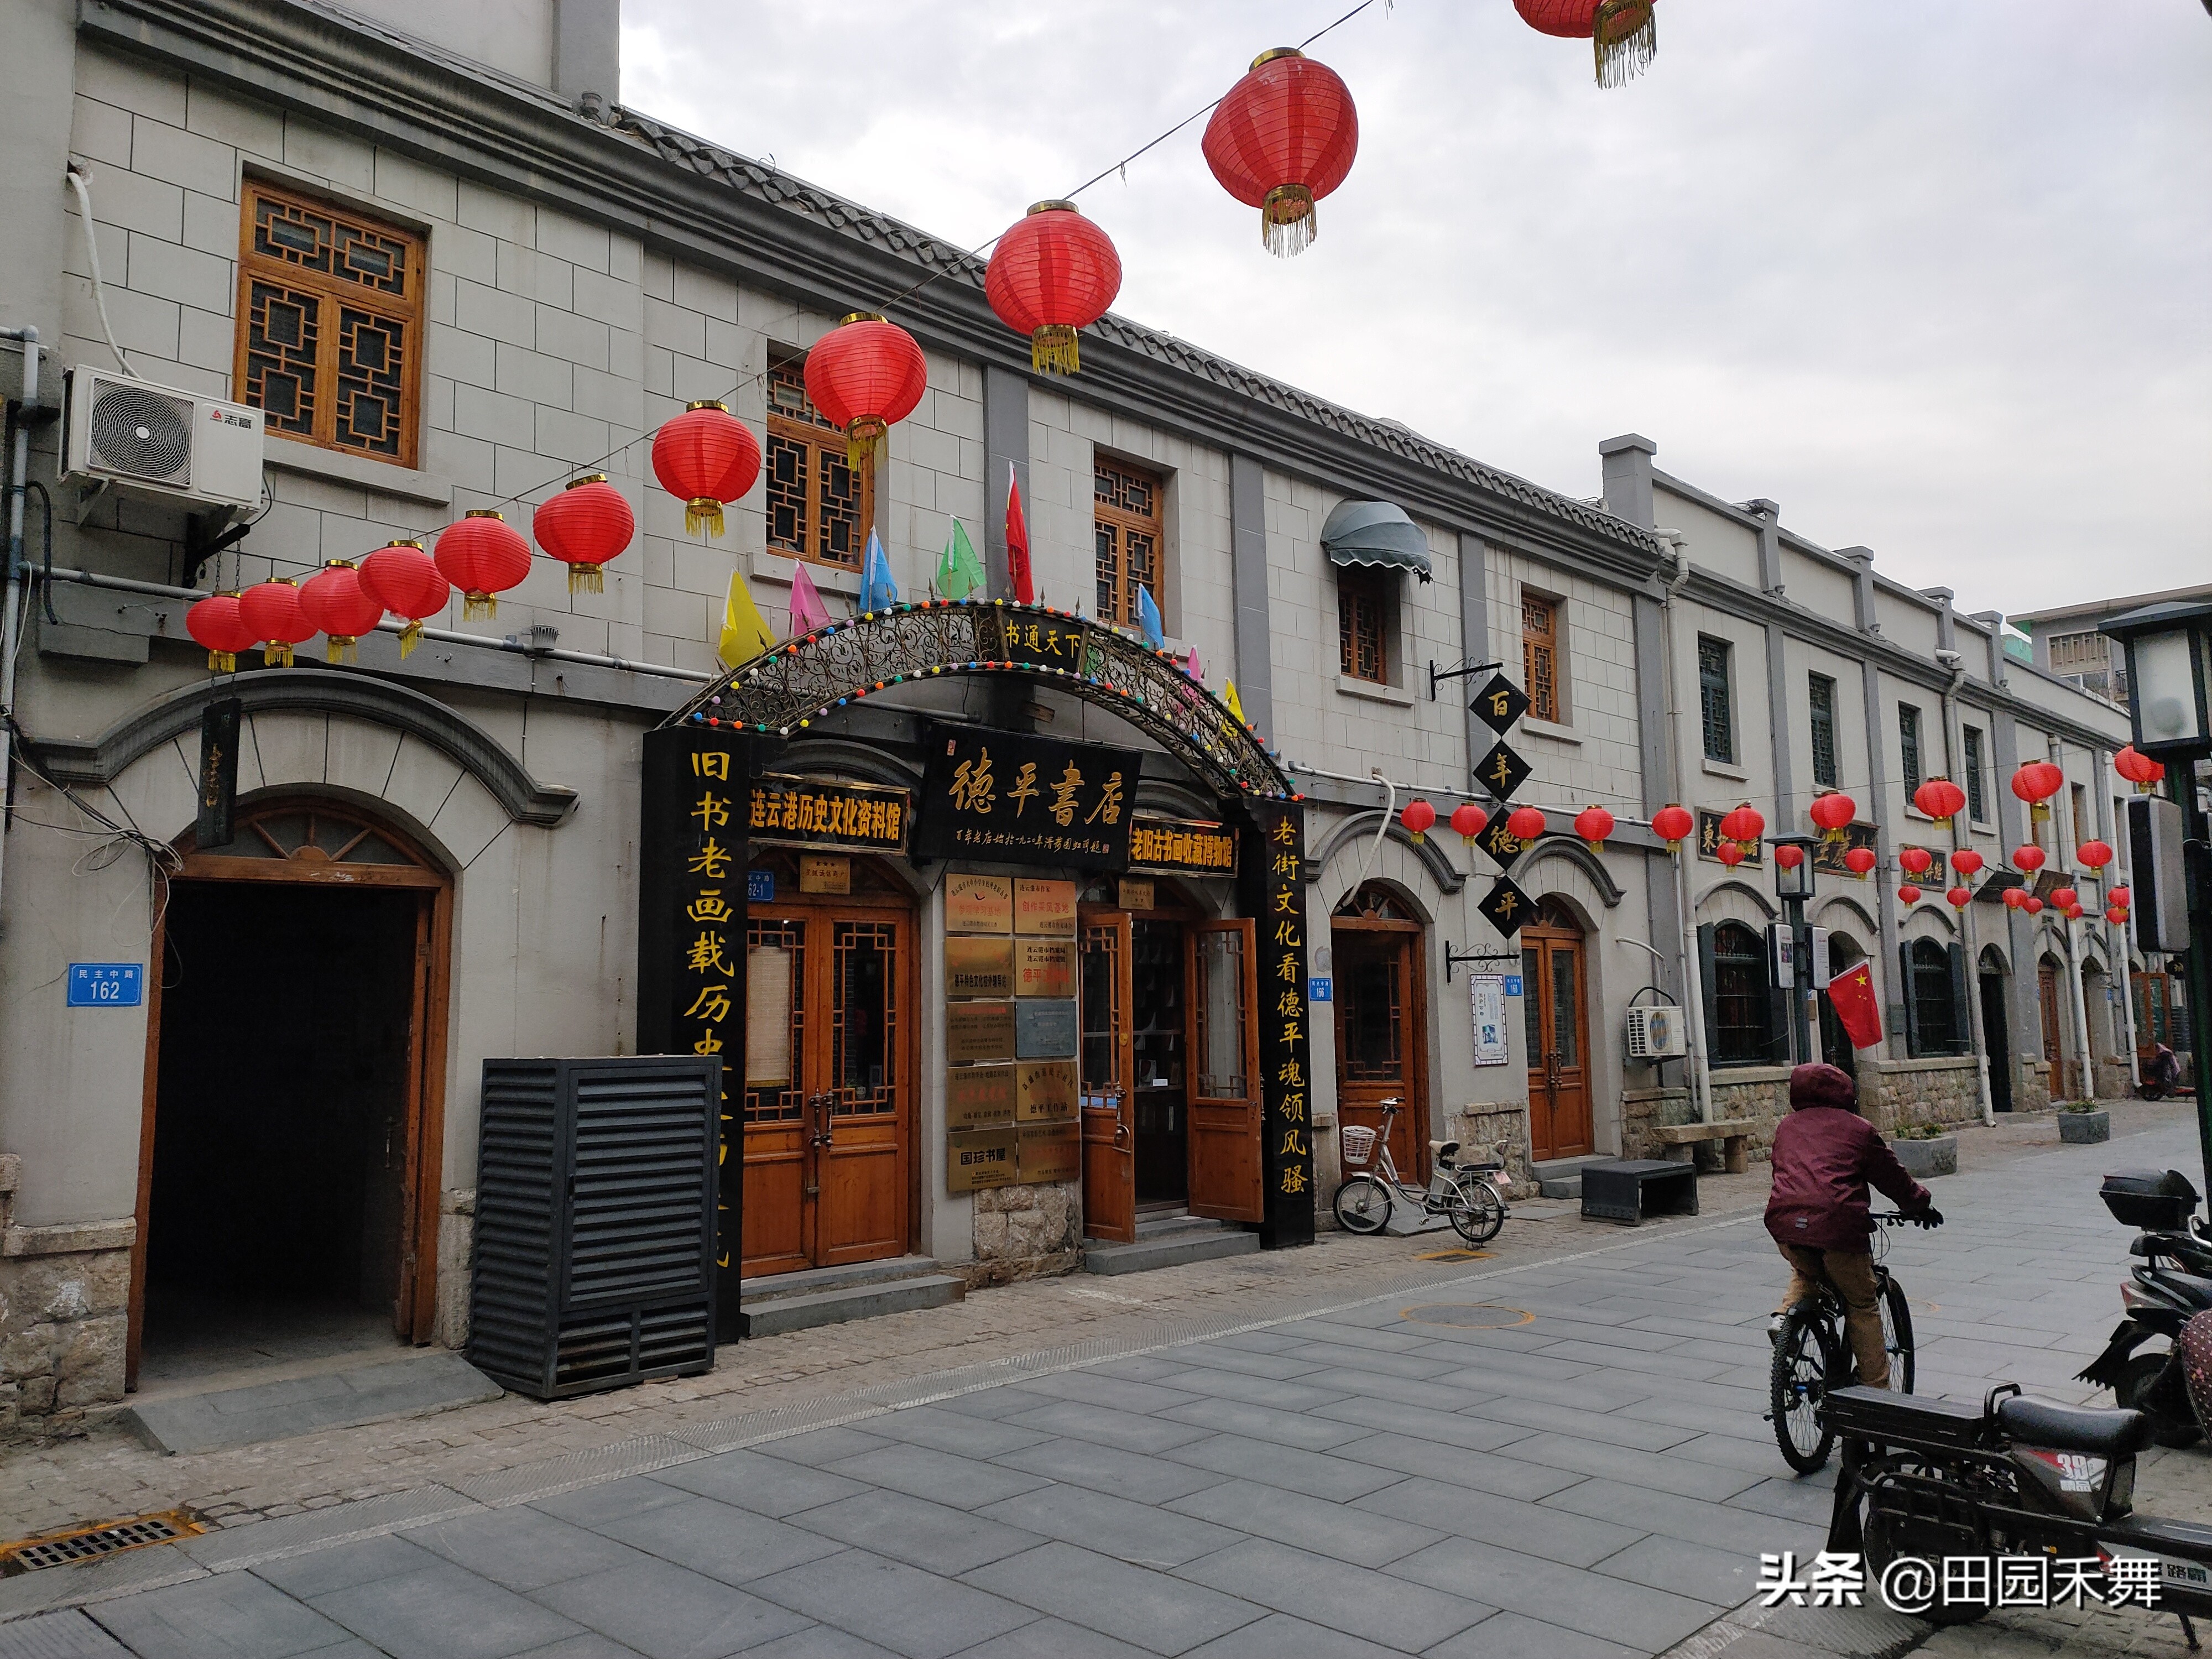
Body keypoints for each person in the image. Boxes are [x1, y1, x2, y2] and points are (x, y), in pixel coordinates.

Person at [1766, 1061, 1942, 1387]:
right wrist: (1920, 1205)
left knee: (1807, 1271)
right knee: (1862, 1303)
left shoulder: (1786, 1127)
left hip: (1785, 1223)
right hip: (1837, 1227)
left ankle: (1784, 1318)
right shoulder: (1858, 1130)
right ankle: (1877, 1394)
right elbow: (1892, 1177)